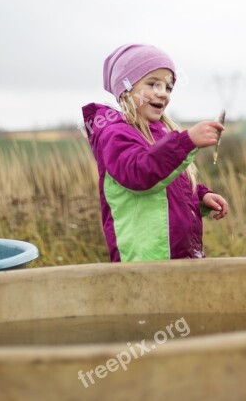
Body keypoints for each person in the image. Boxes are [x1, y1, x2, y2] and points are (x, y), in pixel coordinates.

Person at [82, 43, 229, 262]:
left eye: (168, 87)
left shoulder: (162, 131)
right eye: (153, 84)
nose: (163, 93)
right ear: (126, 88)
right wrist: (186, 142)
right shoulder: (115, 135)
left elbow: (169, 184)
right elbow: (141, 174)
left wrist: (200, 197)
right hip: (145, 260)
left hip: (179, 256)